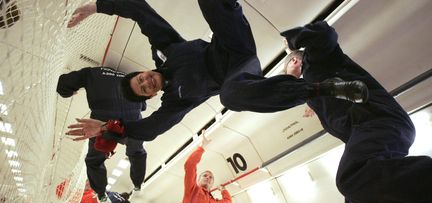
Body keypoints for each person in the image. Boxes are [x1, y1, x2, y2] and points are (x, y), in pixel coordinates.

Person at [64, 0, 368, 144]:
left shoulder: (167, 50)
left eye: (140, 78)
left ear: (143, 72)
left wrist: (97, 7)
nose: (146, 82)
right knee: (230, 96)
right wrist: (107, 129)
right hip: (239, 71)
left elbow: (142, 12)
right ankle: (322, 90)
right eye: (145, 88)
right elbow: (150, 130)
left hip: (230, 41)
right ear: (153, 94)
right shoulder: (175, 101)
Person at [280, 21, 432, 203]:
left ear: (295, 61)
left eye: (286, 68)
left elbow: (325, 34)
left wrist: (293, 41)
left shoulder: (316, 62)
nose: (287, 75)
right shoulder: (313, 89)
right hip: (371, 129)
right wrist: (314, 103)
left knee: (352, 179)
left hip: (378, 119)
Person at [57, 67, 148, 203]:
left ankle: (101, 194)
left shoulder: (91, 73)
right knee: (137, 153)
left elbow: (62, 85)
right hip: (131, 126)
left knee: (94, 160)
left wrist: (70, 91)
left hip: (101, 126)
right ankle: (137, 185)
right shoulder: (134, 79)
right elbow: (143, 106)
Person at [178, 132, 232, 203]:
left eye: (211, 177)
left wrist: (223, 190)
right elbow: (189, 165)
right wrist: (202, 147)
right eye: (205, 175)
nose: (208, 177)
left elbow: (228, 202)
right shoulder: (192, 190)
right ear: (198, 180)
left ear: (212, 184)